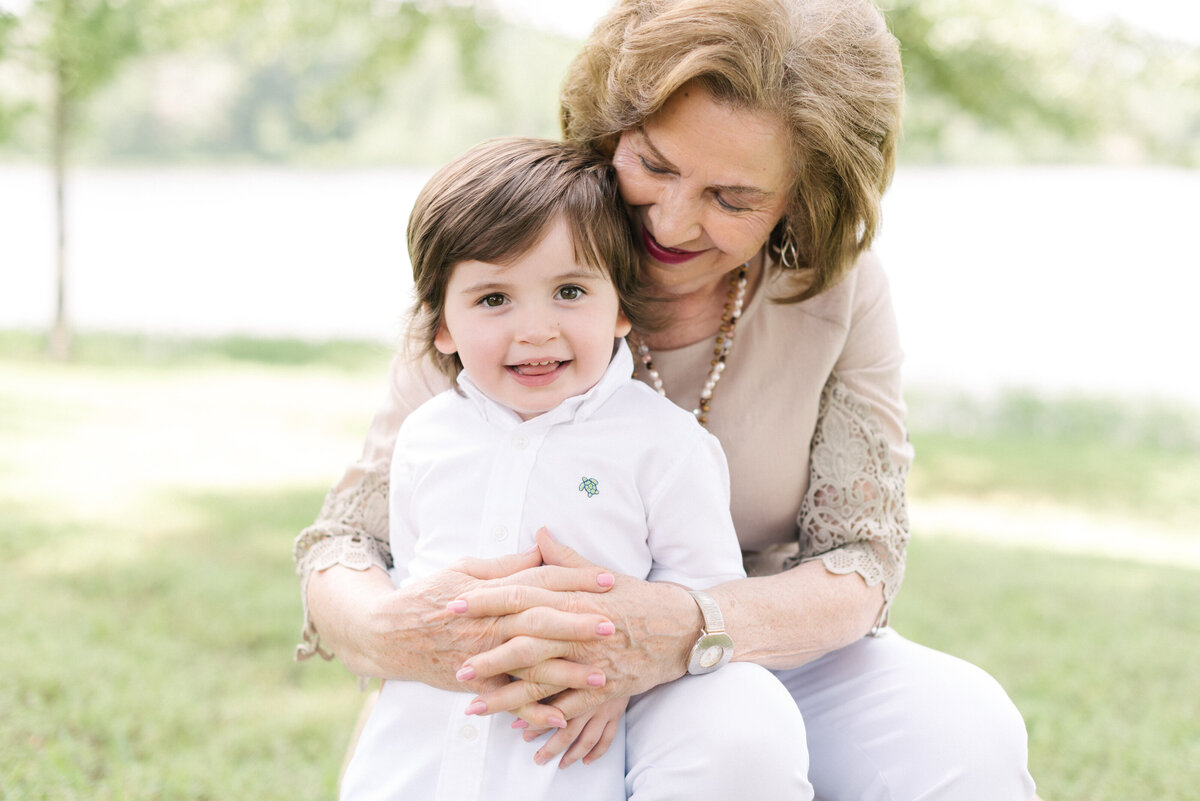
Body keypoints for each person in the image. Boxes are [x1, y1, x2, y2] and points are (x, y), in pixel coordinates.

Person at [294, 1, 1038, 798]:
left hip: (761, 638)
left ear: (799, 198)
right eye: (653, 163)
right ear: (613, 128)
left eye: (733, 198)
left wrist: (677, 629)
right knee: (731, 739)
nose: (674, 221)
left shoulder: (839, 294)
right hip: (537, 662)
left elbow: (860, 561)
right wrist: (394, 635)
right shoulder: (512, 259)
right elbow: (348, 540)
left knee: (965, 727)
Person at [338, 137, 803, 800]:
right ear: (441, 323)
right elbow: (415, 593)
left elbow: (702, 598)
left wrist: (630, 672)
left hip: (563, 755)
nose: (535, 329)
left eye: (569, 291)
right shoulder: (426, 438)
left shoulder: (663, 443)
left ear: (619, 308)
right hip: (422, 754)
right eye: (494, 299)